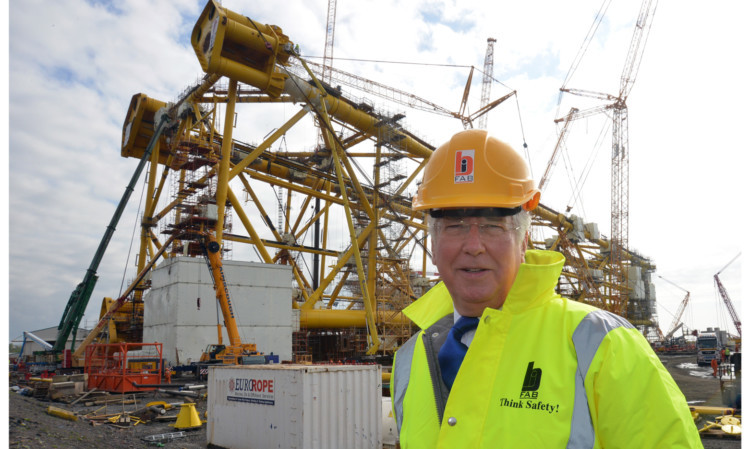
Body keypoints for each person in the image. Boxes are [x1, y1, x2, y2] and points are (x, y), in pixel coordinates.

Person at [390, 129, 701, 448]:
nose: (474, 245)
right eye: (454, 226)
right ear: (432, 241)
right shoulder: (410, 360)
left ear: (524, 240)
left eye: (492, 226)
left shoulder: (604, 346)